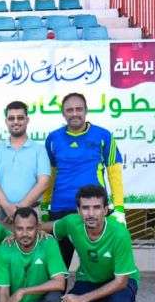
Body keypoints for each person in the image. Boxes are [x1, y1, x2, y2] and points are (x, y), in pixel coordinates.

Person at [43, 185, 139, 302]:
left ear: (105, 210)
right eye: (86, 208)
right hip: (88, 278)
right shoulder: (72, 223)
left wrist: (82, 299)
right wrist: (16, 233)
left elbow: (121, 282)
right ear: (78, 210)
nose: (91, 213)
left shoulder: (119, 233)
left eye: (96, 207)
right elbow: (43, 227)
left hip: (119, 280)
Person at [43, 92, 125, 268]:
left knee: (99, 264)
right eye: (69, 110)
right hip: (60, 209)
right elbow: (50, 174)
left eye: (79, 109)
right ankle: (58, 288)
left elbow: (114, 172)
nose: (74, 113)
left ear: (86, 110)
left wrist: (119, 208)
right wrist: (44, 205)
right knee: (58, 266)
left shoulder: (104, 136)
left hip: (93, 209)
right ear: (63, 113)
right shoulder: (53, 138)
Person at [0, 101, 50, 225]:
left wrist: (19, 208)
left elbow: (44, 182)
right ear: (6, 121)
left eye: (20, 118)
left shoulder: (39, 149)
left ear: (27, 120)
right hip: (0, 212)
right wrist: (7, 207)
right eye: (11, 118)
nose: (15, 122)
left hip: (32, 212)